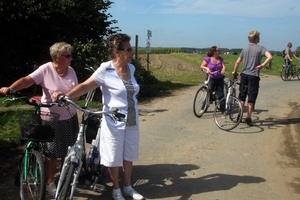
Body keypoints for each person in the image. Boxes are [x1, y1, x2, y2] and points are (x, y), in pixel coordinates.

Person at [55, 33, 143, 200]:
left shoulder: (131, 68)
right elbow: (85, 85)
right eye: (129, 49)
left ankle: (128, 187)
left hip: (132, 118)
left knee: (129, 154)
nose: (132, 52)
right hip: (114, 120)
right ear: (117, 51)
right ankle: (116, 190)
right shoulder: (106, 69)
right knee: (114, 156)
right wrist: (66, 97)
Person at [0, 42, 79, 197]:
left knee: (68, 152)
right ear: (57, 57)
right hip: (51, 118)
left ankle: (64, 179)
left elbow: (77, 93)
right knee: (52, 153)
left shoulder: (71, 71)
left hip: (70, 116)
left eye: (71, 54)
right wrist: (11, 89)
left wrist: (66, 96)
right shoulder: (46, 69)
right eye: (67, 55)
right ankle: (50, 182)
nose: (71, 58)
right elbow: (27, 80)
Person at [232, 30, 272, 126]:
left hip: (244, 75)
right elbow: (270, 57)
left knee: (242, 95)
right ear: (256, 38)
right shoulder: (260, 48)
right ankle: (248, 117)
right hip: (254, 75)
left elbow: (237, 62)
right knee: (251, 96)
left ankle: (239, 115)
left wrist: (235, 71)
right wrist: (262, 65)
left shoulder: (245, 49)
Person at [199, 46, 226, 113]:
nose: (219, 51)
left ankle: (223, 109)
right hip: (211, 78)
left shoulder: (220, 59)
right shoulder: (207, 59)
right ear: (214, 52)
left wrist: (223, 70)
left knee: (221, 94)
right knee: (209, 93)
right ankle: (203, 108)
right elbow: (202, 66)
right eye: (218, 50)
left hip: (219, 78)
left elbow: (223, 66)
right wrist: (207, 69)